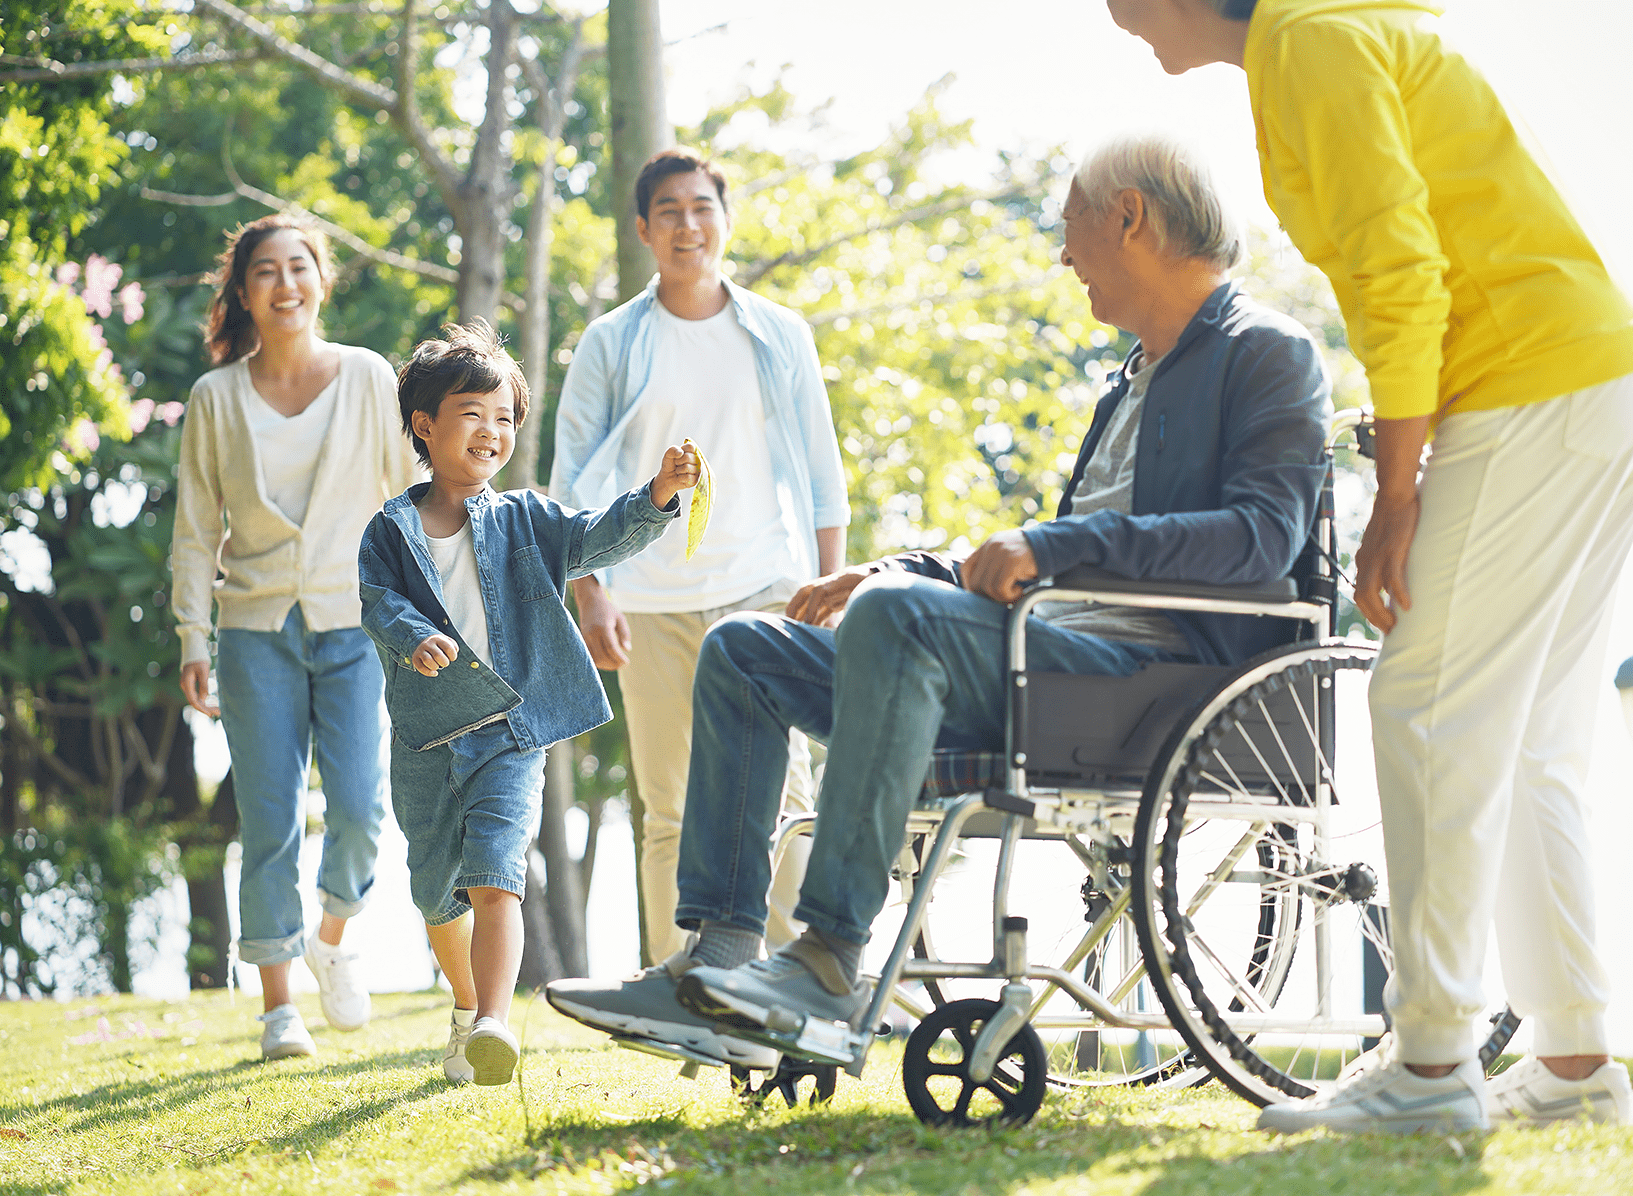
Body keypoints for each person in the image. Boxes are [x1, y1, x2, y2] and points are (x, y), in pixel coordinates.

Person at [546, 134, 1331, 1069]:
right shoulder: (1130, 377)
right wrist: (900, 570)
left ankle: (829, 959)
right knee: (746, 651)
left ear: (1129, 218)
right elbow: (1048, 553)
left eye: (1069, 226)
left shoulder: (1267, 353)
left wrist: (1040, 549)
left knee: (892, 622)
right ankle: (715, 960)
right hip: (1041, 657)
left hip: (1148, 680)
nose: (1061, 253)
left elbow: (1257, 540)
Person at [1105, 0, 1633, 1133]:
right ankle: (1577, 1058)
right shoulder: (1327, 36)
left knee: (1425, 705)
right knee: (1532, 736)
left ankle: (1433, 1064)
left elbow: (1399, 267)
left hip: (1531, 383)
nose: (1112, 17)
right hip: (1588, 379)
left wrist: (1396, 490)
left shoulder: (1311, 43)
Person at [357, 320, 695, 1085]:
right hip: (427, 738)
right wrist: (412, 635)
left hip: (513, 732)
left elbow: (596, 539)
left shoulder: (527, 517)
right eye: (473, 412)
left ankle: (493, 1024)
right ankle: (464, 1005)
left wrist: (658, 495)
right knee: (437, 892)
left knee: (496, 875)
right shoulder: (389, 528)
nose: (492, 430)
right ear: (425, 425)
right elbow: (375, 601)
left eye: (505, 416)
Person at [550, 147, 849, 965]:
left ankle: (794, 978)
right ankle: (680, 985)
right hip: (648, 600)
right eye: (670, 212)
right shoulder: (611, 342)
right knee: (670, 808)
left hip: (764, 588)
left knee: (785, 793)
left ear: (724, 220)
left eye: (702, 207)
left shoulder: (777, 333)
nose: (689, 225)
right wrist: (593, 592)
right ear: (644, 230)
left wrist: (829, 583)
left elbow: (823, 473)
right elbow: (569, 479)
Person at [172, 214, 421, 1061]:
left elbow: (409, 502)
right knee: (268, 818)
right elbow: (196, 530)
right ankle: (279, 1006)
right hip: (251, 632)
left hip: (355, 625)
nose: (285, 285)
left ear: (322, 280)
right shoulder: (214, 398)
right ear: (242, 291)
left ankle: (331, 935)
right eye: (266, 272)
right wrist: (190, 639)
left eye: (300, 267)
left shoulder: (367, 377)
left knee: (359, 811)